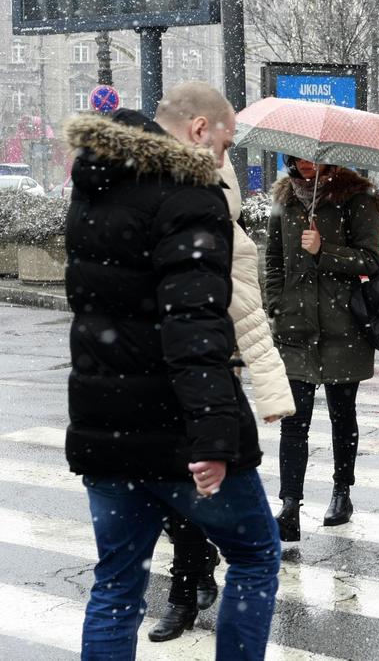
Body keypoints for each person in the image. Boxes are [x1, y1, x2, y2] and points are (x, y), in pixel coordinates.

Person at [64, 82, 281, 660]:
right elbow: (194, 327)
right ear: (200, 128)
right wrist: (214, 439)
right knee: (257, 557)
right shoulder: (189, 195)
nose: (222, 159)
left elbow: (93, 307)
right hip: (177, 426)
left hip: (104, 424)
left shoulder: (94, 187)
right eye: (225, 143)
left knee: (116, 586)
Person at [148, 156, 296, 642]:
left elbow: (251, 319)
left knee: (206, 491)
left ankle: (184, 590)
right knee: (179, 499)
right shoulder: (153, 224)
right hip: (159, 378)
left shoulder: (233, 240)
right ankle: (187, 585)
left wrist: (272, 391)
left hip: (212, 376)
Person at [265, 156, 379, 540]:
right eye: (298, 158)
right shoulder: (286, 198)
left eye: (313, 159)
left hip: (343, 327)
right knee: (293, 420)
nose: (304, 164)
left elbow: (370, 259)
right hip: (295, 327)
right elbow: (273, 258)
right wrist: (276, 303)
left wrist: (324, 250)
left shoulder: (357, 197)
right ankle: (289, 504)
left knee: (341, 415)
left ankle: (341, 490)